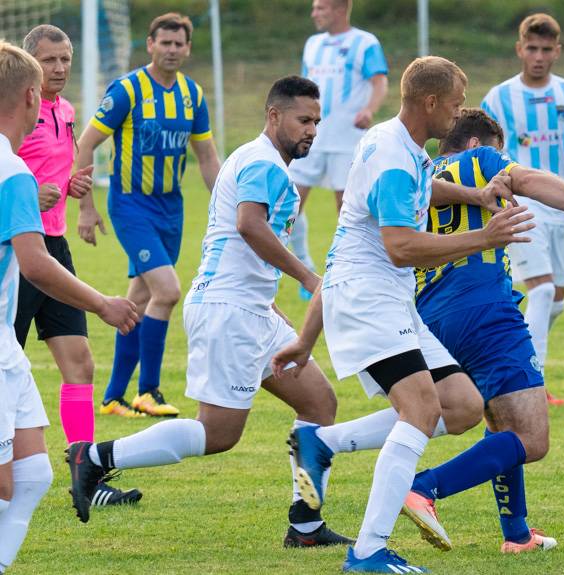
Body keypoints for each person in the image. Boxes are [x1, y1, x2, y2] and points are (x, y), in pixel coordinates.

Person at [65, 77, 352, 551]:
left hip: (249, 308)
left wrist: (272, 300)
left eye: (318, 121)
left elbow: (244, 244)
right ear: (274, 115)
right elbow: (248, 226)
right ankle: (93, 456)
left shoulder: (254, 159)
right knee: (218, 434)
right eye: (304, 120)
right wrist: (307, 276)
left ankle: (305, 526)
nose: (313, 131)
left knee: (319, 403)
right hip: (228, 311)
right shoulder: (263, 163)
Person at [272, 56, 535, 573]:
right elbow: (399, 245)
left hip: (384, 298)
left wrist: (474, 195)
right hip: (368, 297)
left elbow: (422, 188)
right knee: (421, 409)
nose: (459, 116)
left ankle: (322, 442)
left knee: (460, 405)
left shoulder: (402, 146)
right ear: (431, 102)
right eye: (456, 104)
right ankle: (368, 551)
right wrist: (483, 236)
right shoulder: (394, 155)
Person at [406, 107, 564, 552]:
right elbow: (529, 179)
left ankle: (517, 534)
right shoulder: (479, 160)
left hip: (429, 318)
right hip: (485, 309)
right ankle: (424, 487)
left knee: (501, 422)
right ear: (477, 144)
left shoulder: (417, 174)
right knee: (532, 438)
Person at [0, 40, 138, 573]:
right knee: (7, 482)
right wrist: (103, 302)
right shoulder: (12, 173)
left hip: (6, 349)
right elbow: (34, 263)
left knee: (33, 476)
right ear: (33, 97)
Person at [76, 12, 221, 417]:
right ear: (150, 45)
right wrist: (85, 208)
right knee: (168, 291)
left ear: (188, 48)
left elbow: (206, 156)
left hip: (171, 209)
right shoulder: (127, 90)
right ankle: (149, 391)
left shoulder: (193, 94)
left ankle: (112, 398)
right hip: (130, 206)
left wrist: (229, 203)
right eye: (165, 42)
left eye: (179, 44)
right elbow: (85, 146)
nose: (172, 50)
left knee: (138, 300)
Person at [481, 13, 564, 406]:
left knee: (556, 300)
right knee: (543, 289)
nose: (538, 56)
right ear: (519, 49)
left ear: (557, 52)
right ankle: (529, 384)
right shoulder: (498, 98)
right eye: (531, 48)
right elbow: (481, 150)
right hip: (521, 204)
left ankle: (503, 341)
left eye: (546, 49)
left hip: (563, 207)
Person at [288, 0, 388, 300]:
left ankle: (347, 272)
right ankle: (303, 262)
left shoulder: (365, 42)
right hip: (311, 137)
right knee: (288, 202)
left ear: (340, 8)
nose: (314, 13)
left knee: (347, 211)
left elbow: (380, 82)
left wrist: (370, 110)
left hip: (347, 141)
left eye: (321, 8)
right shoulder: (312, 44)